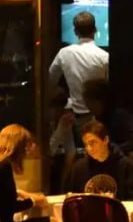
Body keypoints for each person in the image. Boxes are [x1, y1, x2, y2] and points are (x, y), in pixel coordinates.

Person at [47, 11, 110, 147]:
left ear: (75, 32)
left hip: (73, 116)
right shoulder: (105, 56)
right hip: (99, 117)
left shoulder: (64, 53)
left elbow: (49, 81)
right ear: (95, 30)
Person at [64, 120, 133, 201]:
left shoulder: (125, 165)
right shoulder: (79, 168)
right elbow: (69, 198)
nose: (89, 149)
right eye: (86, 144)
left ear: (105, 140)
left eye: (92, 143)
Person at [81, 79, 133, 156]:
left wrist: (113, 149)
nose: (88, 106)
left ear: (102, 100)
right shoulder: (95, 120)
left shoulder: (120, 116)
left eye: (91, 102)